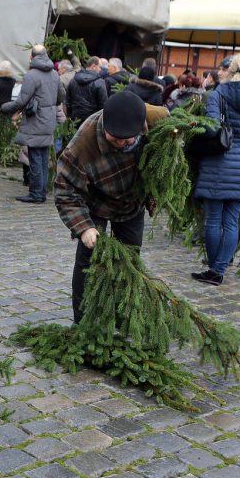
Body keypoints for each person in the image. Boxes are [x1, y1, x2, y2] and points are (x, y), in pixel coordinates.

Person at [54, 91, 168, 322]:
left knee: (130, 259)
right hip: (95, 202)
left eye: (129, 139)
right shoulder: (81, 146)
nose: (123, 143)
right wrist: (84, 227)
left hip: (131, 202)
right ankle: (84, 322)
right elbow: (65, 192)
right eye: (116, 138)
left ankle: (124, 314)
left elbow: (178, 130)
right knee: (89, 259)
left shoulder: (156, 118)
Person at [190, 52, 240, 286]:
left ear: (231, 70)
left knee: (213, 220)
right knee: (231, 222)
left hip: (217, 162)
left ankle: (214, 270)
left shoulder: (217, 95)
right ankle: (219, 269)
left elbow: (212, 130)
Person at [1, 44, 62, 204]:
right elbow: (60, 97)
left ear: (32, 57)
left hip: (35, 121)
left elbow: (22, 101)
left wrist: (5, 107)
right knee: (42, 158)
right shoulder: (55, 74)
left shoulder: (31, 75)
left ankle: (36, 194)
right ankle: (41, 193)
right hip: (48, 121)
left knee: (35, 158)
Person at [66, 56, 108, 122]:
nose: (100, 69)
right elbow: (103, 104)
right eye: (99, 67)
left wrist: (70, 117)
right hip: (92, 121)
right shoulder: (99, 82)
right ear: (93, 66)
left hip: (75, 119)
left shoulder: (73, 80)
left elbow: (68, 101)